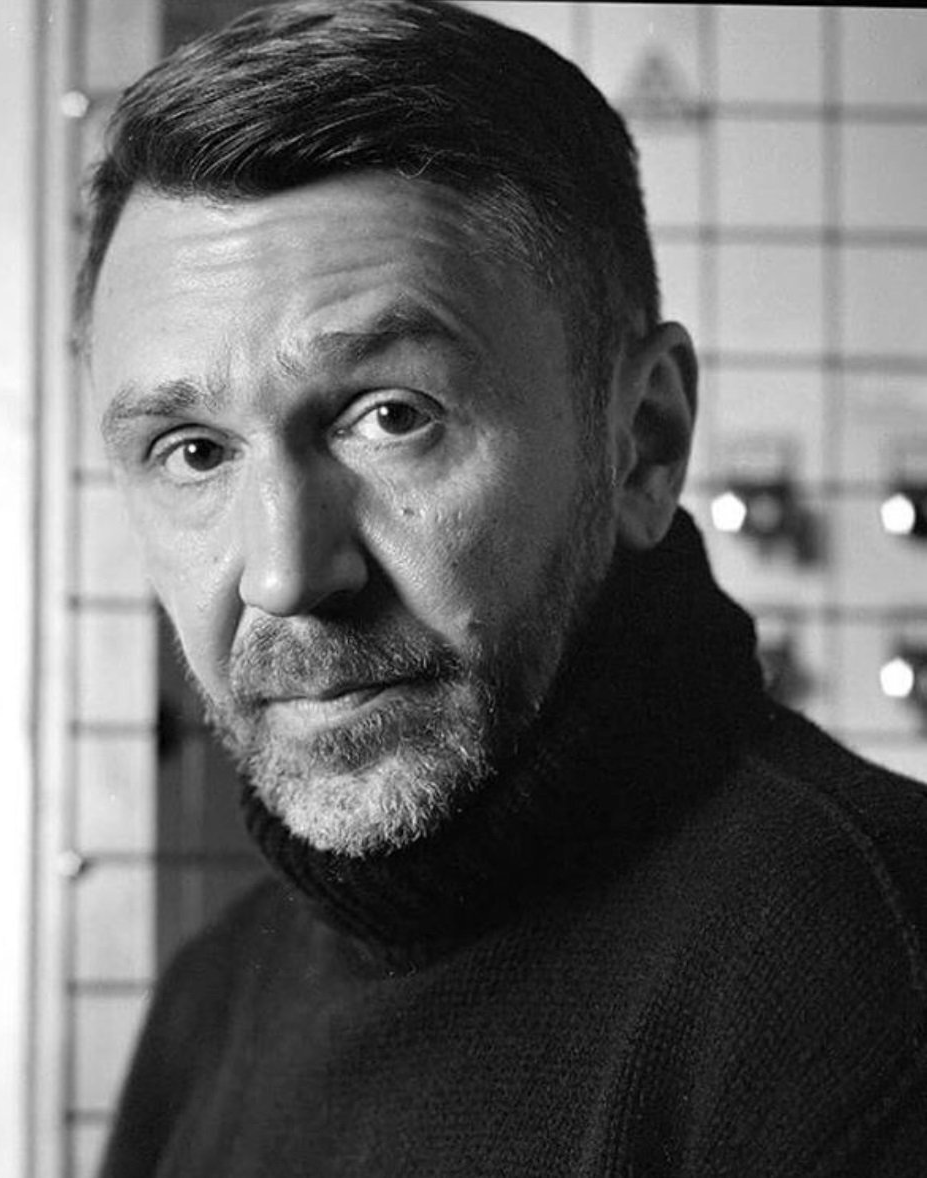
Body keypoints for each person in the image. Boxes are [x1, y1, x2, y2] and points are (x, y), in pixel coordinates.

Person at [77, 1, 927, 1173]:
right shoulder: (211, 1002)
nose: (285, 573)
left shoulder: (875, 982)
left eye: (391, 417)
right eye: (194, 451)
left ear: (642, 441)